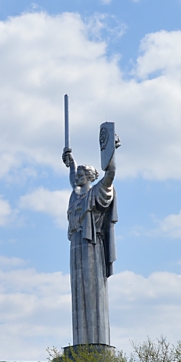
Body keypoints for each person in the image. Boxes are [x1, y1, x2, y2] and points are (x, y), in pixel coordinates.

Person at [62, 134, 119, 348]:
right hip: (76, 244)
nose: (77, 177)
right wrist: (71, 161)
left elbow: (111, 174)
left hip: (91, 245)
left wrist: (111, 151)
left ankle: (96, 344)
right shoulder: (75, 195)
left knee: (92, 288)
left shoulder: (97, 192)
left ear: (89, 176)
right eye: (77, 174)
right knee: (78, 289)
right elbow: (71, 178)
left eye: (81, 174)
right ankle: (81, 346)